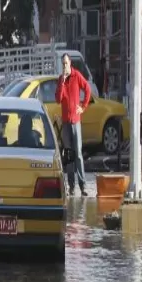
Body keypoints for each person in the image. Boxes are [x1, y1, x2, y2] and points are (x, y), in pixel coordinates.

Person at [55, 53, 91, 196]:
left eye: (66, 63)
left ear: (70, 63)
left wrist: (83, 106)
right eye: (62, 64)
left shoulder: (77, 76)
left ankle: (83, 186)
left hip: (76, 121)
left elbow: (87, 89)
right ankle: (71, 186)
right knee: (69, 155)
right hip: (66, 121)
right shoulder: (60, 80)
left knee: (79, 154)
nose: (64, 66)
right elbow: (58, 99)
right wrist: (62, 82)